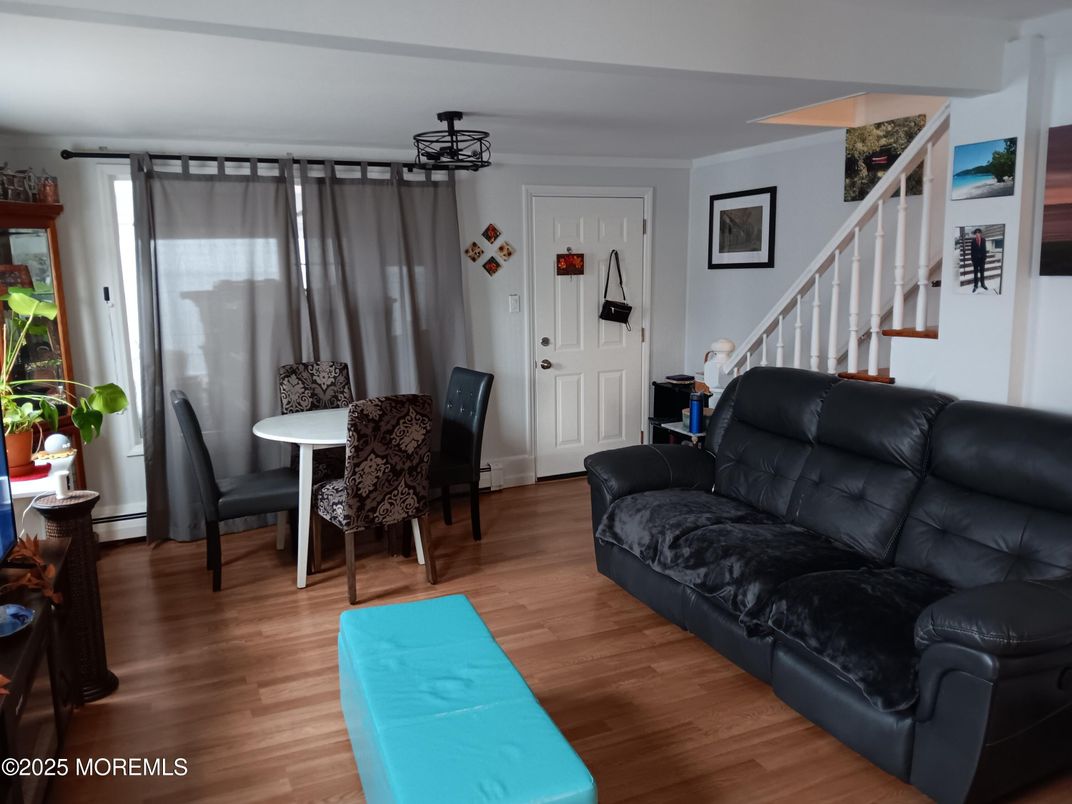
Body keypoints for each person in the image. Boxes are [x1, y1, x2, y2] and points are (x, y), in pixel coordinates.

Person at [970, 228, 989, 292]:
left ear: (980, 233)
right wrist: (972, 260)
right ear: (975, 234)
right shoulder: (973, 241)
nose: (977, 234)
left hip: (982, 260)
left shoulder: (983, 240)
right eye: (976, 233)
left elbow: (984, 249)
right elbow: (972, 252)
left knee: (982, 273)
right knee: (975, 273)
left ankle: (983, 284)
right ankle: (975, 285)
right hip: (975, 260)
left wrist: (985, 258)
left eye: (978, 233)